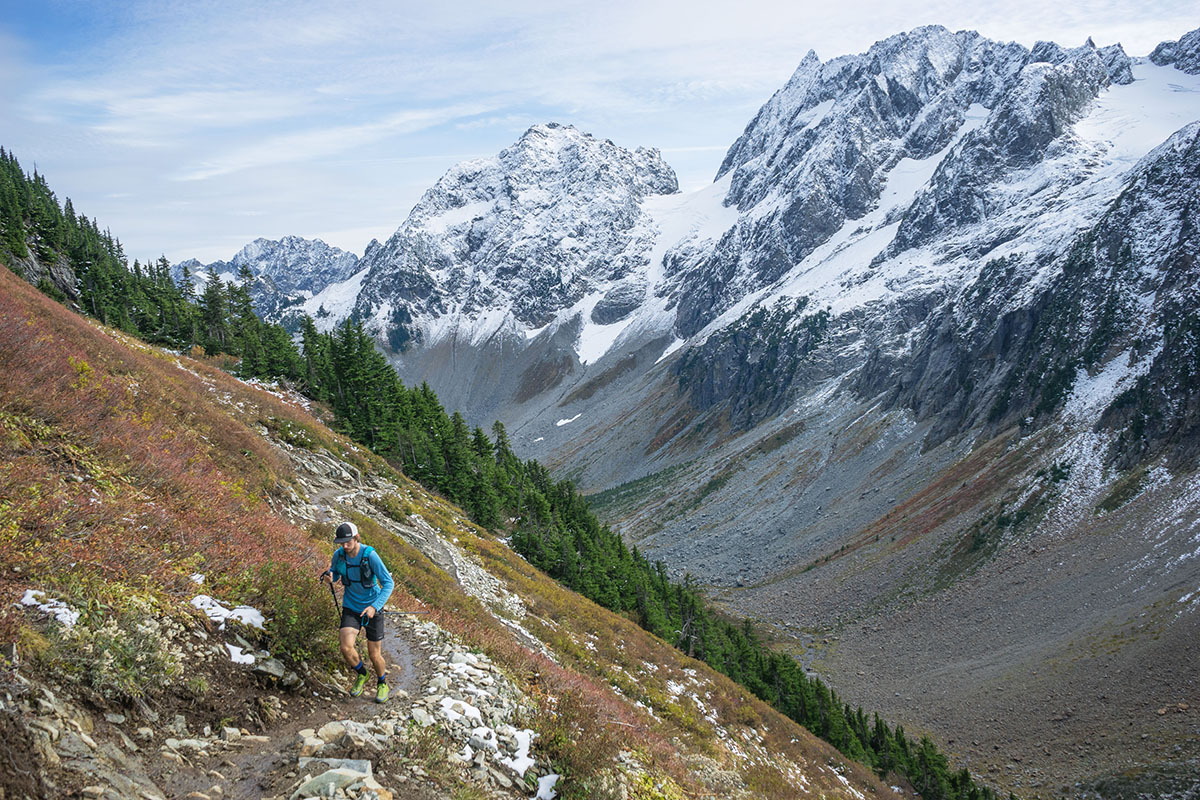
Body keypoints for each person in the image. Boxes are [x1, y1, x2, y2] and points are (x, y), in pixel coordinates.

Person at [321, 521, 395, 703]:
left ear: (356, 538)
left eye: (348, 542)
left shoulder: (370, 556)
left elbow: (388, 583)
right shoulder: (338, 556)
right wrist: (330, 577)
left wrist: (374, 607)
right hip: (351, 607)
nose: (344, 546)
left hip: (371, 608)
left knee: (374, 654)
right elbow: (336, 574)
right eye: (341, 543)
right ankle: (362, 674)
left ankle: (382, 682)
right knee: (346, 647)